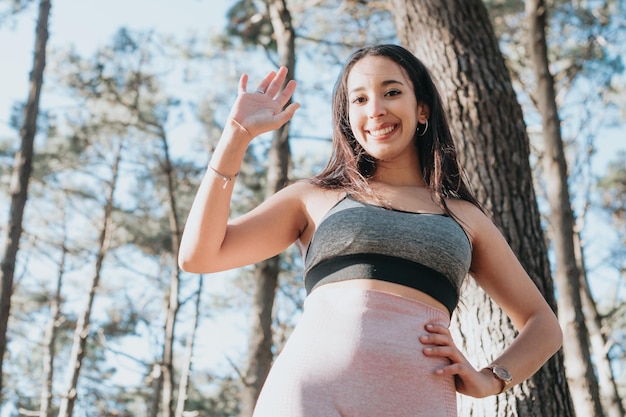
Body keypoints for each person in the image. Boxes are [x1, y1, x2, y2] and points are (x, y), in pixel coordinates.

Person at [178, 44, 563, 417]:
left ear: (422, 108)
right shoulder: (313, 197)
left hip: (417, 400)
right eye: (359, 100)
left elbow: (543, 326)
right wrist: (236, 137)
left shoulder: (464, 217)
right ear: (348, 117)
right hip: (308, 394)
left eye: (391, 92)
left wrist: (490, 379)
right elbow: (199, 256)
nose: (375, 110)